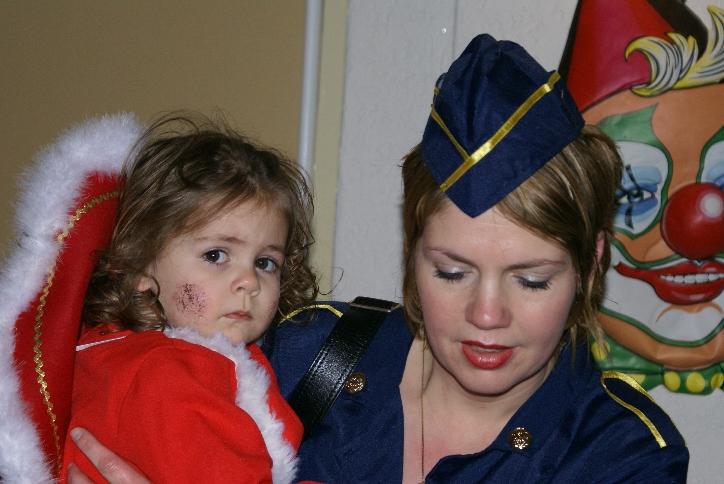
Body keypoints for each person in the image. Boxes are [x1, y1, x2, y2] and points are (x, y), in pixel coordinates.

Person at [68, 35, 688, 483]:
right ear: (411, 249)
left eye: (530, 281)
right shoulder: (300, 356)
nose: (486, 315)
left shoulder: (619, 453)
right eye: (451, 272)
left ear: (591, 265)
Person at [61, 113, 318, 483]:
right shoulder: (165, 377)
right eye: (216, 255)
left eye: (265, 262)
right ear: (140, 264)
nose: (249, 281)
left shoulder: (158, 356)